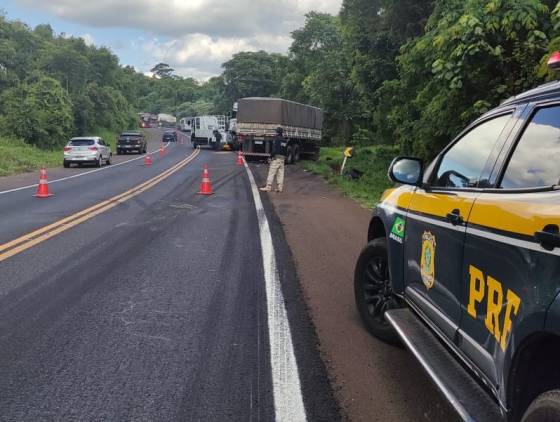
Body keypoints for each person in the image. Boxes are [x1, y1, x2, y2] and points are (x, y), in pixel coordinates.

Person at [260, 127, 287, 193]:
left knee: (272, 172)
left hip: (276, 157)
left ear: (277, 132)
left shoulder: (276, 139)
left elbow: (274, 149)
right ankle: (280, 188)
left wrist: (270, 157)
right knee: (280, 173)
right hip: (282, 158)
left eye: (276, 131)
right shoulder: (284, 140)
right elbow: (285, 149)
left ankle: (268, 186)